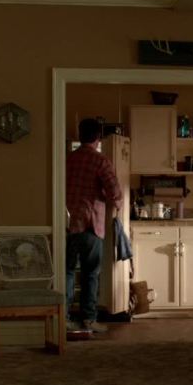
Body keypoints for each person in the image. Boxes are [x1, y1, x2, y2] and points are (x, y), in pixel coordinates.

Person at [66, 118, 123, 333]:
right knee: (90, 273)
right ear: (98, 138)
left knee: (67, 271)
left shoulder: (68, 159)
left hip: (67, 223)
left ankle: (65, 318)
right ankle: (88, 319)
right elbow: (114, 191)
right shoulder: (100, 161)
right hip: (91, 224)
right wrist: (118, 204)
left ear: (80, 135)